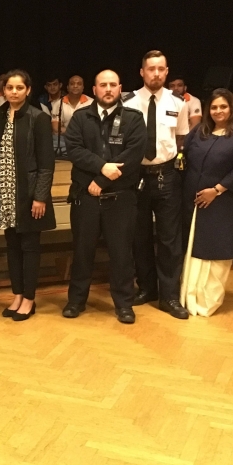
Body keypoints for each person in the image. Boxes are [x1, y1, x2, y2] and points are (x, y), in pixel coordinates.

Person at [63, 70, 147, 324]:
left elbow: (133, 156)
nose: (108, 89)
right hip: (85, 197)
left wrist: (100, 181)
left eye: (113, 84)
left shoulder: (134, 118)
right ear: (95, 89)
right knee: (82, 252)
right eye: (103, 85)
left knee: (122, 254)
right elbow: (74, 151)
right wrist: (102, 168)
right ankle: (76, 301)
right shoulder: (80, 118)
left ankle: (124, 304)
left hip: (120, 198)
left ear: (120, 88)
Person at [123, 50, 190, 319]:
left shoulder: (179, 103)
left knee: (169, 238)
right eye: (151, 69)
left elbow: (181, 139)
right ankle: (147, 288)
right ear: (142, 72)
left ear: (167, 71)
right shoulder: (127, 102)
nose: (156, 74)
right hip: (136, 176)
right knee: (139, 237)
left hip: (167, 175)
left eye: (161, 69)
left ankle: (170, 296)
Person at [180, 89, 233, 316]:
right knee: (194, 249)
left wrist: (216, 190)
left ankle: (207, 302)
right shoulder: (199, 133)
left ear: (231, 109)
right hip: (195, 203)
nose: (218, 111)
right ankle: (188, 297)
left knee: (216, 254)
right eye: (214, 107)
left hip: (224, 206)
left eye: (223, 107)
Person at [0, 70, 55, 321]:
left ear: (28, 90)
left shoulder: (38, 118)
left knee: (29, 247)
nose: (14, 92)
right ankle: (17, 294)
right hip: (5, 193)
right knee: (12, 246)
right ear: (3, 90)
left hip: (29, 195)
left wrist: (40, 196)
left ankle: (29, 298)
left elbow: (46, 162)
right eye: (10, 87)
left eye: (19, 88)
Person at [51, 75, 94, 157]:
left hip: (85, 139)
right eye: (72, 84)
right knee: (54, 142)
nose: (75, 86)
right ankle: (80, 153)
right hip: (66, 139)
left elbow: (93, 128)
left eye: (79, 84)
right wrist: (75, 134)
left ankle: (76, 152)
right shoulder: (58, 104)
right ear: (67, 87)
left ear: (83, 87)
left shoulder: (92, 103)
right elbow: (56, 129)